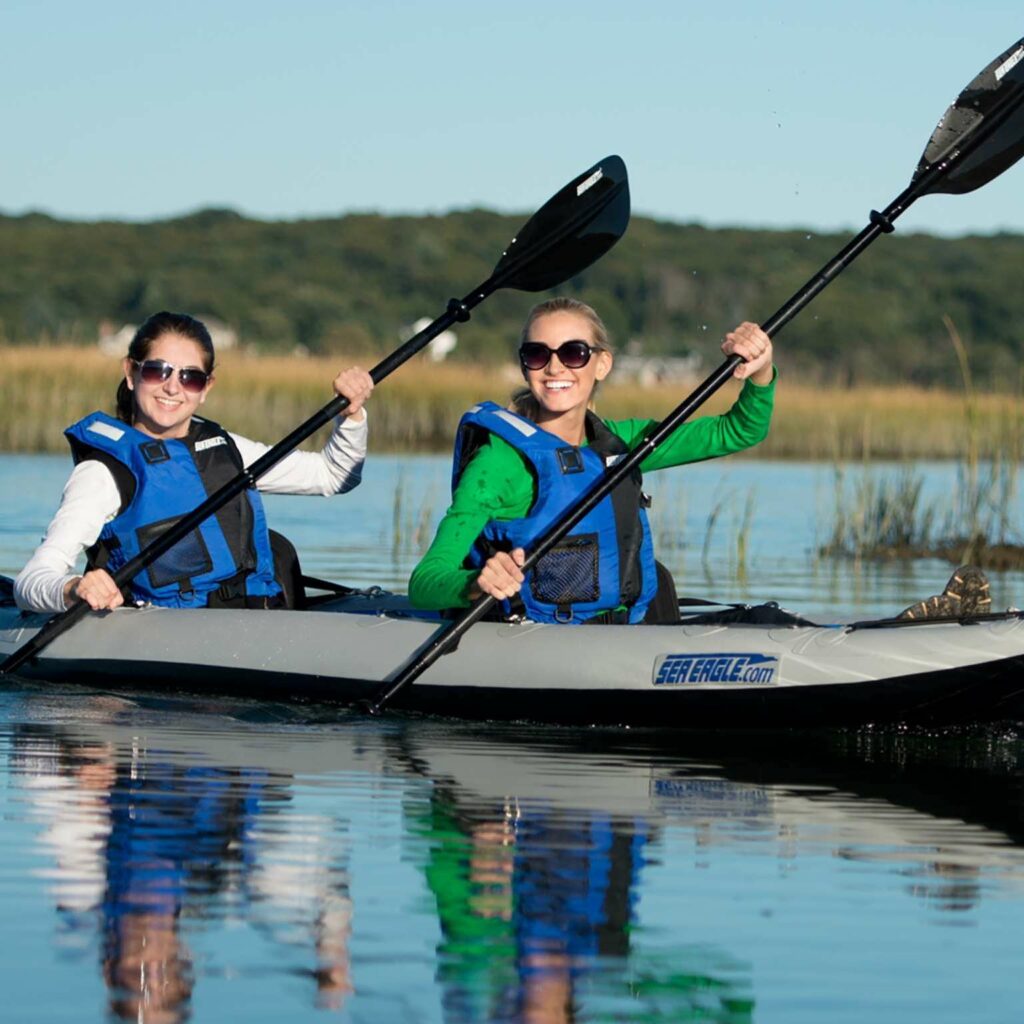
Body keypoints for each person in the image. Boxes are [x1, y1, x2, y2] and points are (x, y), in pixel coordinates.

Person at [408, 296, 775, 624]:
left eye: (573, 353)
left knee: (659, 579)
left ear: (601, 365)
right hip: (533, 634)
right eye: (537, 354)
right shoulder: (499, 464)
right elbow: (425, 581)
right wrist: (476, 582)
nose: (554, 368)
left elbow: (739, 430)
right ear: (525, 367)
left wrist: (760, 370)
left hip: (624, 628)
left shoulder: (623, 443)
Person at [14, 311, 373, 613]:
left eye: (191, 377)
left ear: (206, 388)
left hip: (255, 621)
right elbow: (32, 581)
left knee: (278, 547)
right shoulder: (104, 474)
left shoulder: (227, 449)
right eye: (158, 371)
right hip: (159, 631)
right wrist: (76, 588)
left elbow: (334, 476)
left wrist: (351, 414)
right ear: (131, 372)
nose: (173, 387)